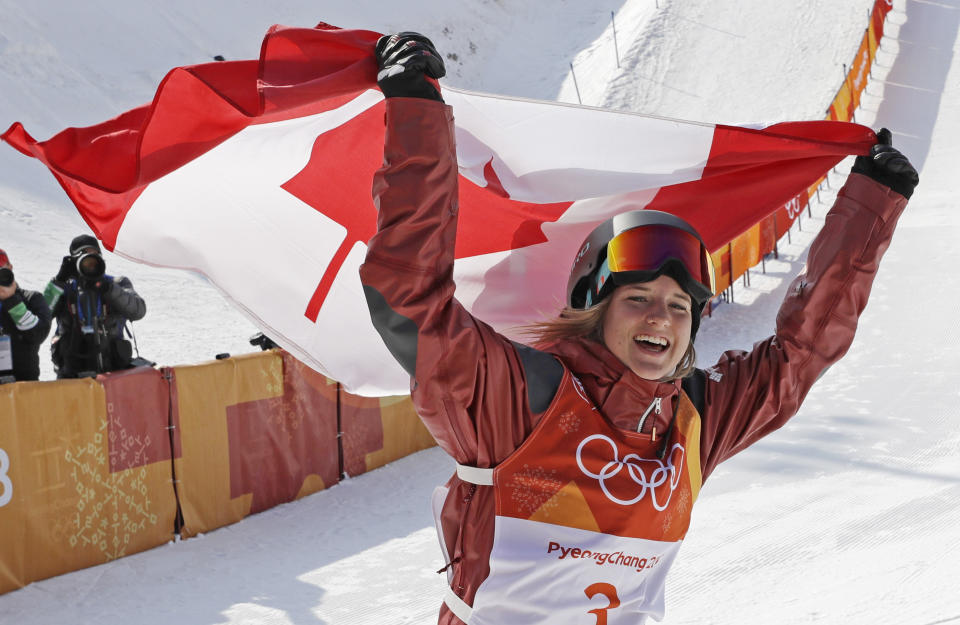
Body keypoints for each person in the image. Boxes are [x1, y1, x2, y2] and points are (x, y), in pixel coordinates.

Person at [359, 33, 919, 625]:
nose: (661, 318)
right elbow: (410, 298)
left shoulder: (693, 421)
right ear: (593, 308)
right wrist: (416, 111)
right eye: (639, 299)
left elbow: (800, 355)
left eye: (680, 306)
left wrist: (873, 204)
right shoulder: (519, 398)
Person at [44, 234, 147, 378]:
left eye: (95, 256)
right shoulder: (64, 288)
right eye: (85, 257)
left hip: (113, 371)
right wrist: (58, 281)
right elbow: (41, 317)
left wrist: (109, 289)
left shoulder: (117, 283)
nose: (91, 263)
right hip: (70, 371)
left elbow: (139, 311)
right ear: (74, 261)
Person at [0, 248, 52, 382]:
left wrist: (11, 300)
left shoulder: (32, 299)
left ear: (9, 268)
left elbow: (38, 334)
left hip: (25, 388)